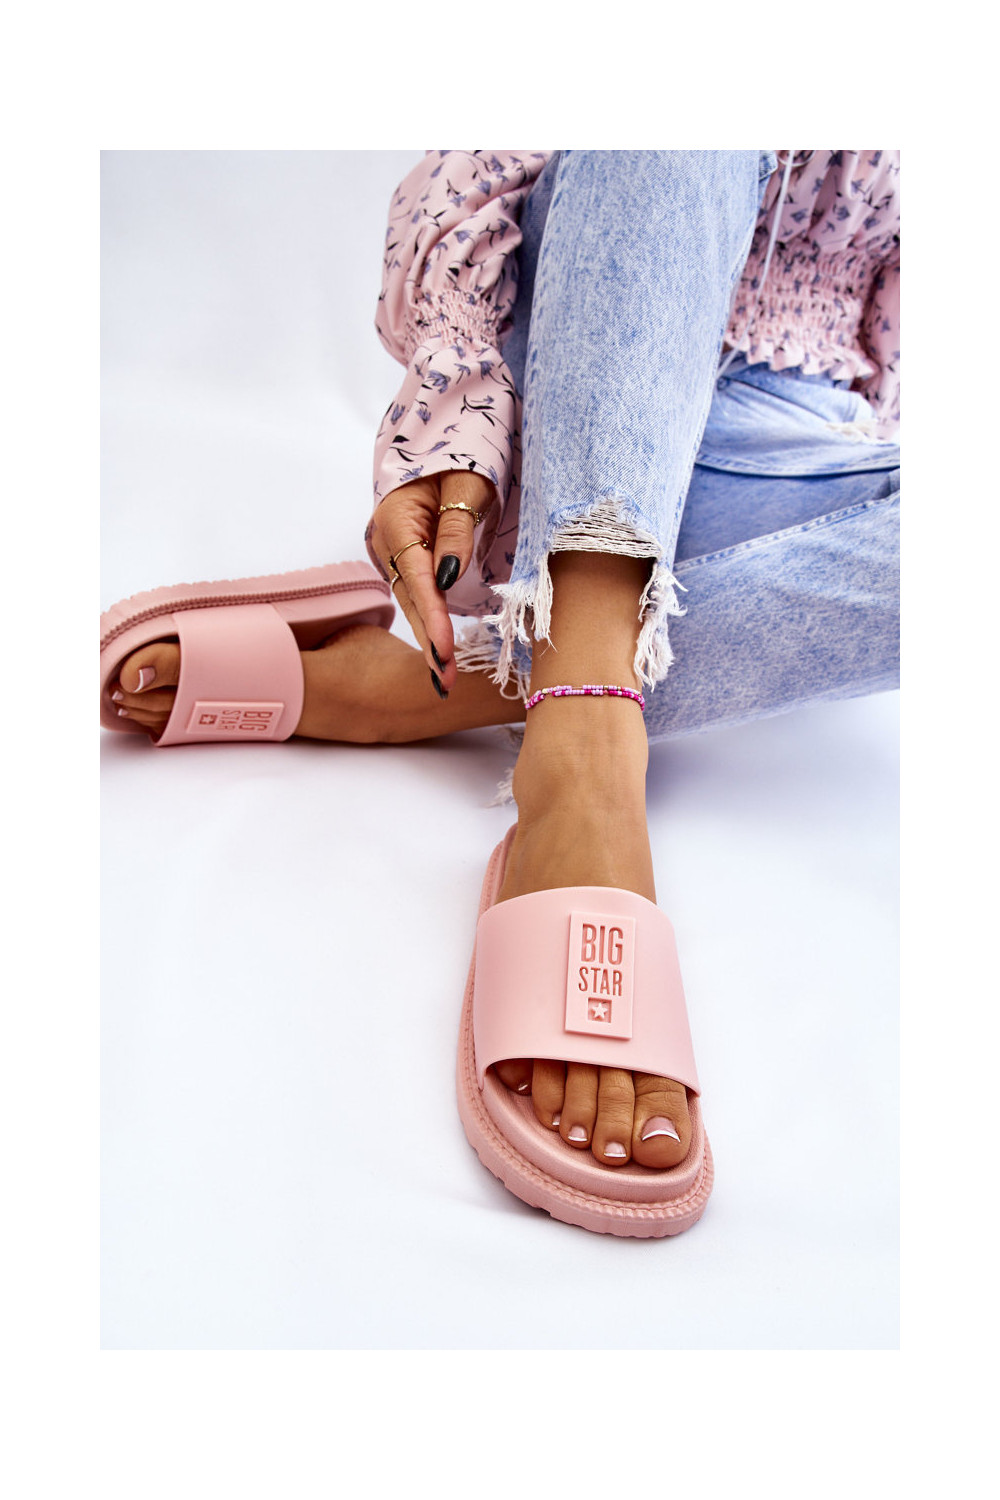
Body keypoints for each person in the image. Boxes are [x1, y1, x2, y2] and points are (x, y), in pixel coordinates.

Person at [101, 150, 899, 1233]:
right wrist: (457, 410)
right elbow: (483, 169)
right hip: (576, 391)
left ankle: (456, 685)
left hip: (788, 473)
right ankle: (584, 759)